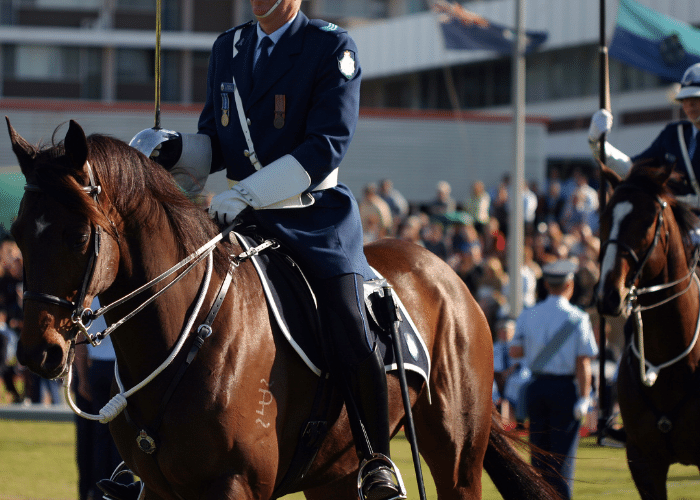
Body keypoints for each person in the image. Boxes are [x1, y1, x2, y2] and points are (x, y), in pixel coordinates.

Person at [103, 2, 404, 500]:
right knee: (167, 302)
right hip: (238, 214)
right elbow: (218, 144)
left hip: (312, 216)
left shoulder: (331, 47)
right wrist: (171, 147)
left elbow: (326, 145)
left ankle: (375, 459)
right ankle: (142, 451)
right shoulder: (230, 47)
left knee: (348, 321)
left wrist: (250, 191)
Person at [509, 260, 598, 500]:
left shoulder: (529, 314)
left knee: (538, 458)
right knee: (562, 461)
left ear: (547, 284)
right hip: (564, 389)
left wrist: (534, 344)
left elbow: (514, 351)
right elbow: (583, 363)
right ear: (569, 285)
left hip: (537, 386)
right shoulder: (578, 318)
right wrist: (584, 397)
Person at [588, 62, 700, 211]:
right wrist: (597, 144)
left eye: (696, 98)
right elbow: (633, 168)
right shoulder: (673, 134)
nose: (690, 104)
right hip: (679, 225)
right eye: (685, 99)